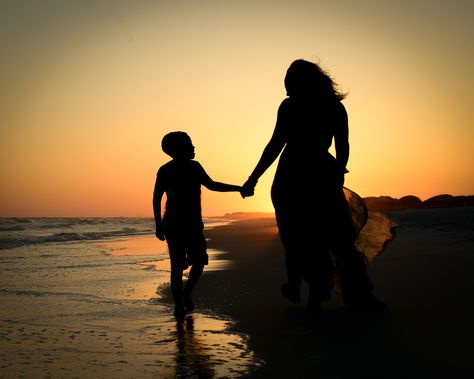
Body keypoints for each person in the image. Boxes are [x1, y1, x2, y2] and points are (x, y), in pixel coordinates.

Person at [241, 59, 383, 312]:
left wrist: (254, 178)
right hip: (322, 173)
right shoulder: (335, 107)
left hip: (292, 175)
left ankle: (308, 290)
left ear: (296, 84)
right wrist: (339, 171)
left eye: (288, 84)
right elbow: (344, 145)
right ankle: (340, 293)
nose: (285, 90)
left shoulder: (290, 107)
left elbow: (275, 144)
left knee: (297, 237)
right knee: (335, 236)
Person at [153, 131, 243, 318]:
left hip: (193, 224)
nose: (193, 147)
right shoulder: (165, 170)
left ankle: (187, 293)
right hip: (173, 224)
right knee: (177, 266)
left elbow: (212, 185)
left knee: (200, 261)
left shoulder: (195, 167)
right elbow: (156, 198)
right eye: (188, 144)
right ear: (176, 150)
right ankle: (178, 305)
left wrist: (238, 188)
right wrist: (158, 226)